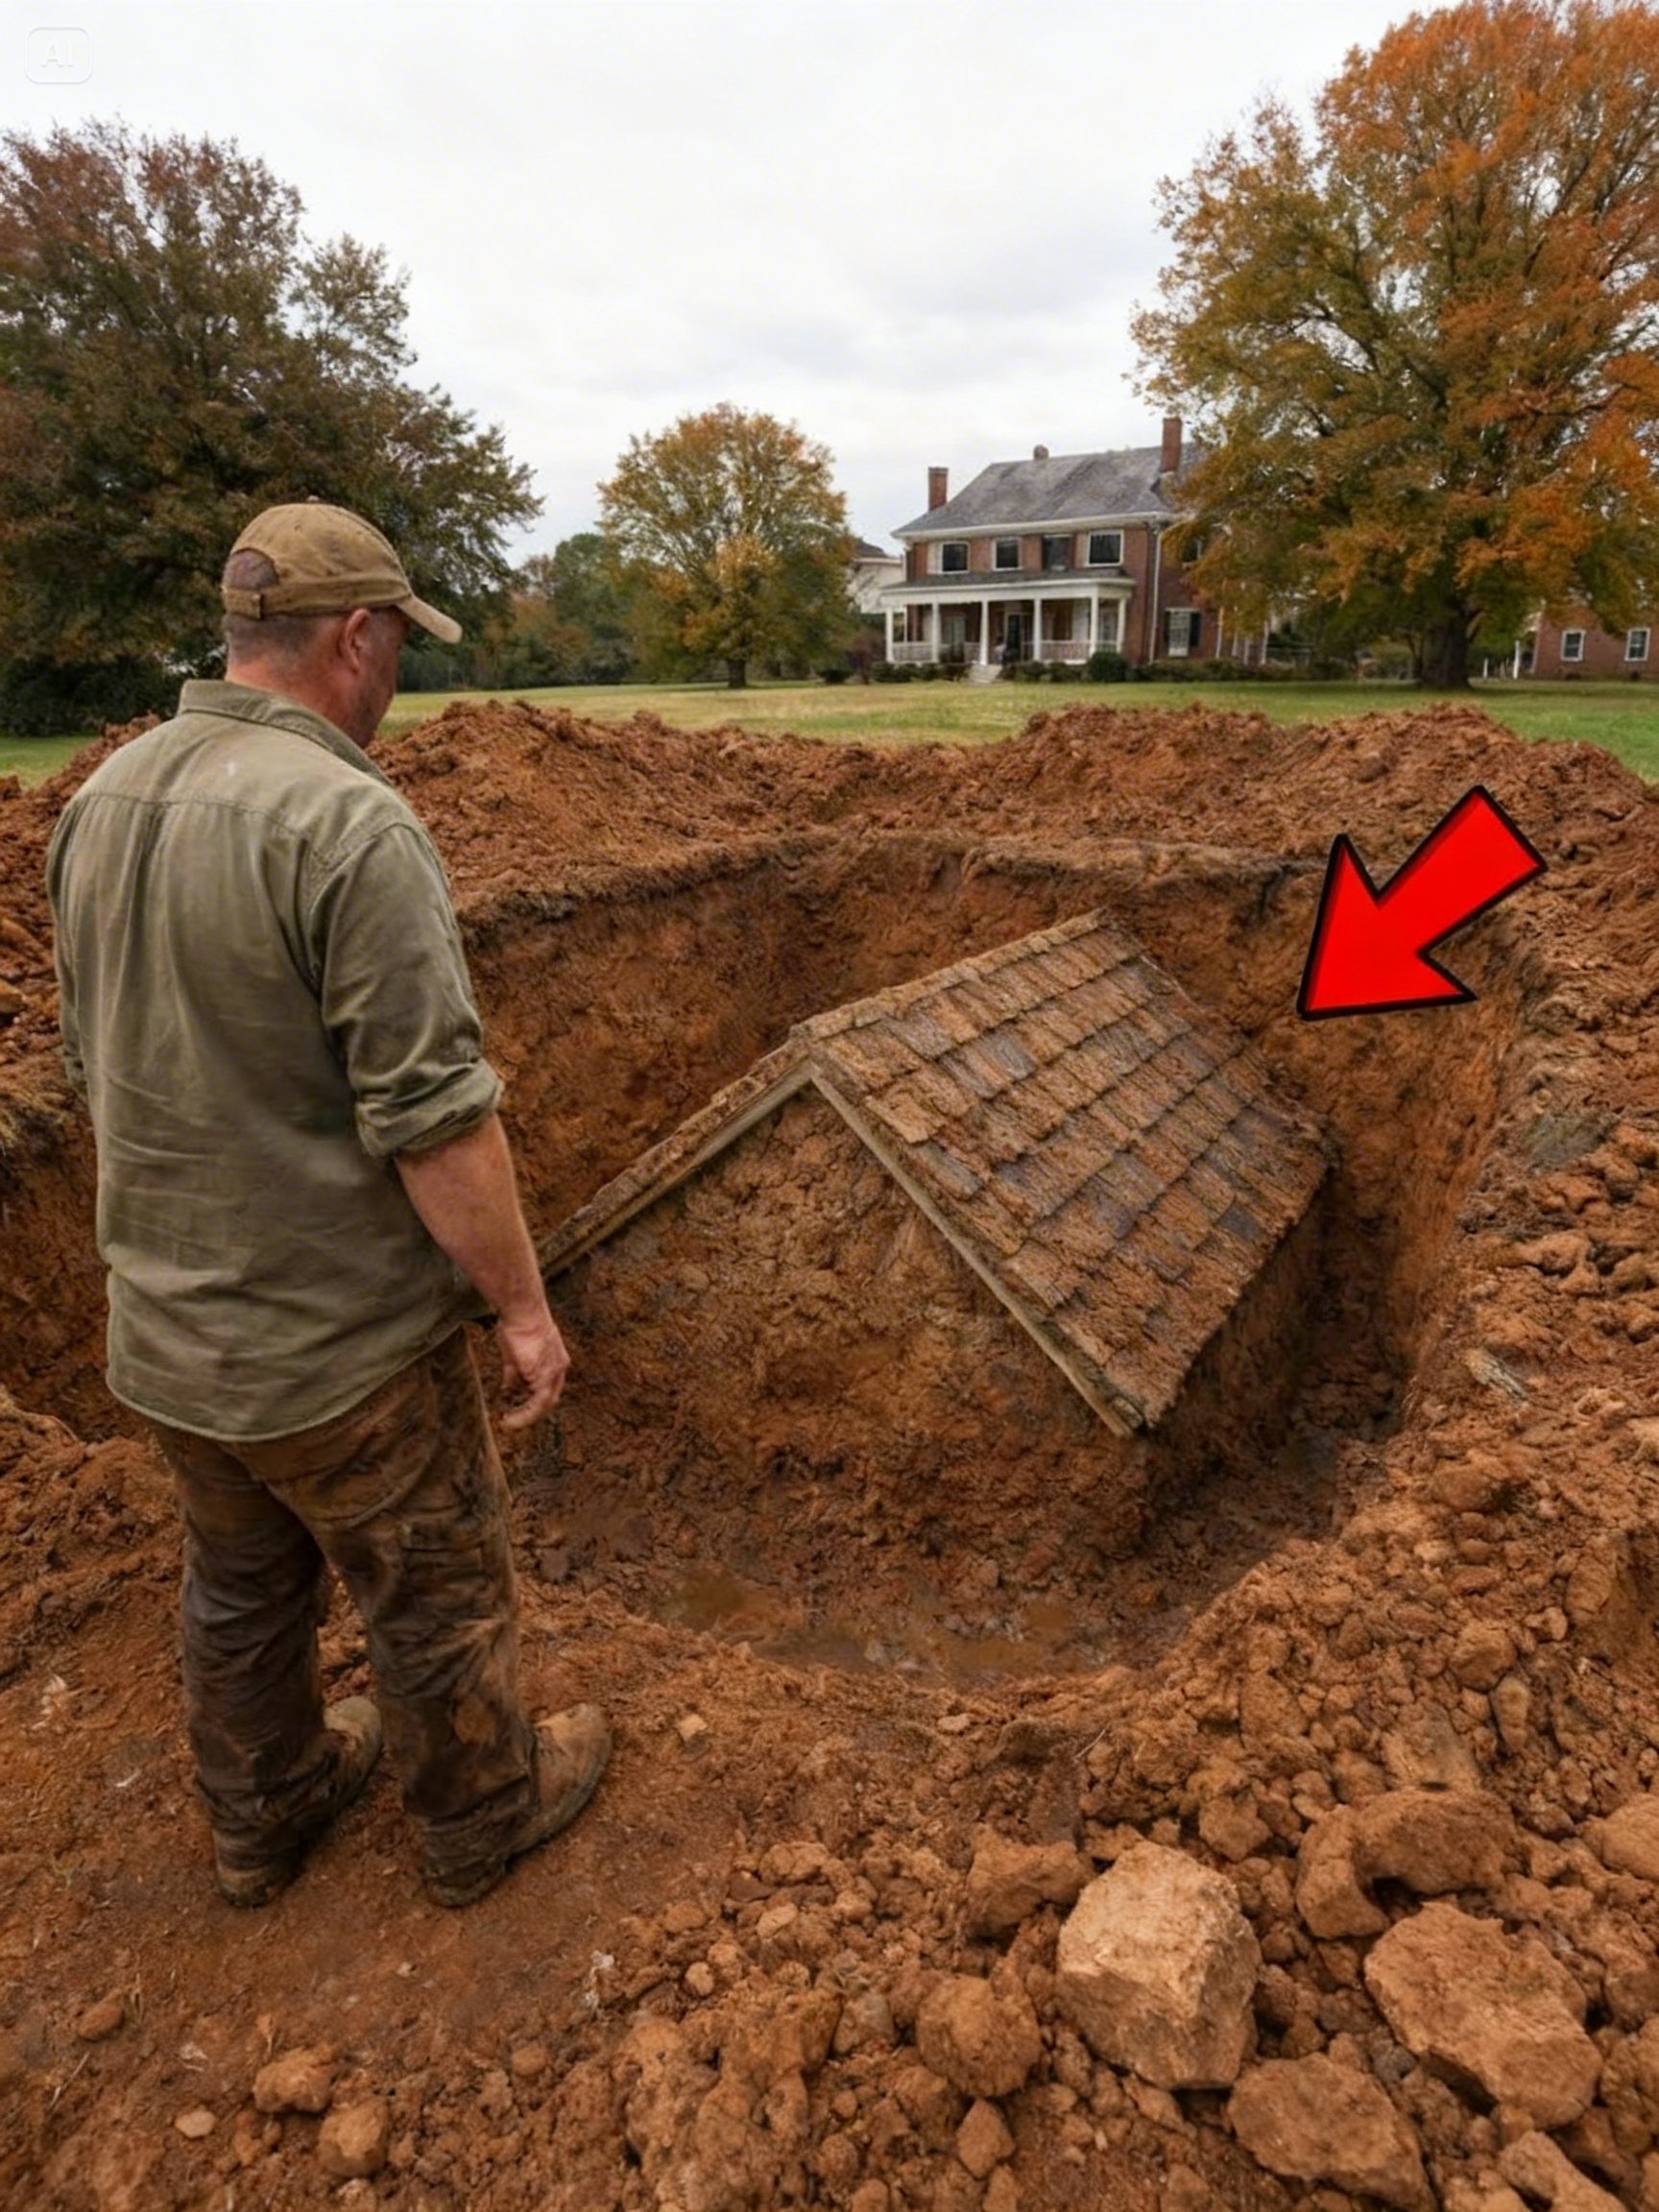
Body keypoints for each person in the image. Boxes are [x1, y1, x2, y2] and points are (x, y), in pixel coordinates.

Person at [45, 501, 610, 1910]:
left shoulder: (99, 804)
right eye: (400, 648)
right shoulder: (350, 826)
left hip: (170, 1340)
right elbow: (437, 1123)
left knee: (239, 1591)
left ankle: (264, 1820)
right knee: (436, 1593)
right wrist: (524, 1310)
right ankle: (481, 1814)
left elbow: (93, 1066)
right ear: (354, 639)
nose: (401, 680)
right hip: (340, 1354)